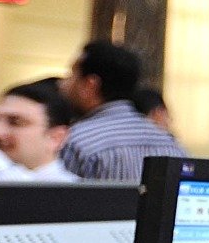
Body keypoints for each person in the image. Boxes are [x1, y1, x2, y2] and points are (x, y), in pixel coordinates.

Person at [59, 41, 187, 181]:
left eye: (72, 75)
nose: (62, 84)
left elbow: (60, 194)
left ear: (90, 85)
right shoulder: (173, 146)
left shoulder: (76, 142)